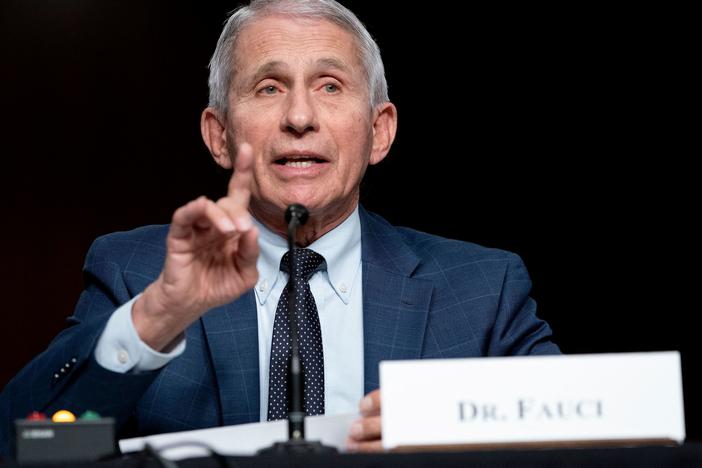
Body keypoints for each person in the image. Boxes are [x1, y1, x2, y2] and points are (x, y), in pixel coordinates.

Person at [0, 0, 559, 456]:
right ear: (219, 135)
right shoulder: (135, 275)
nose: (299, 117)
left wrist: (455, 430)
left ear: (379, 132)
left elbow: (582, 433)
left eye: (330, 86)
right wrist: (158, 316)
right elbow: (28, 444)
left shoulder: (484, 289)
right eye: (268, 87)